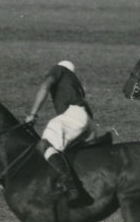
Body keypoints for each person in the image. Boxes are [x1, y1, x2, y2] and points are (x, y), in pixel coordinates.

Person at [25, 60, 96, 204]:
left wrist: (32, 114)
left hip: (75, 115)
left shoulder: (59, 69)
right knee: (61, 152)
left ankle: (70, 187)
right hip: (89, 121)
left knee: (45, 144)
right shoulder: (75, 82)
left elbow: (45, 86)